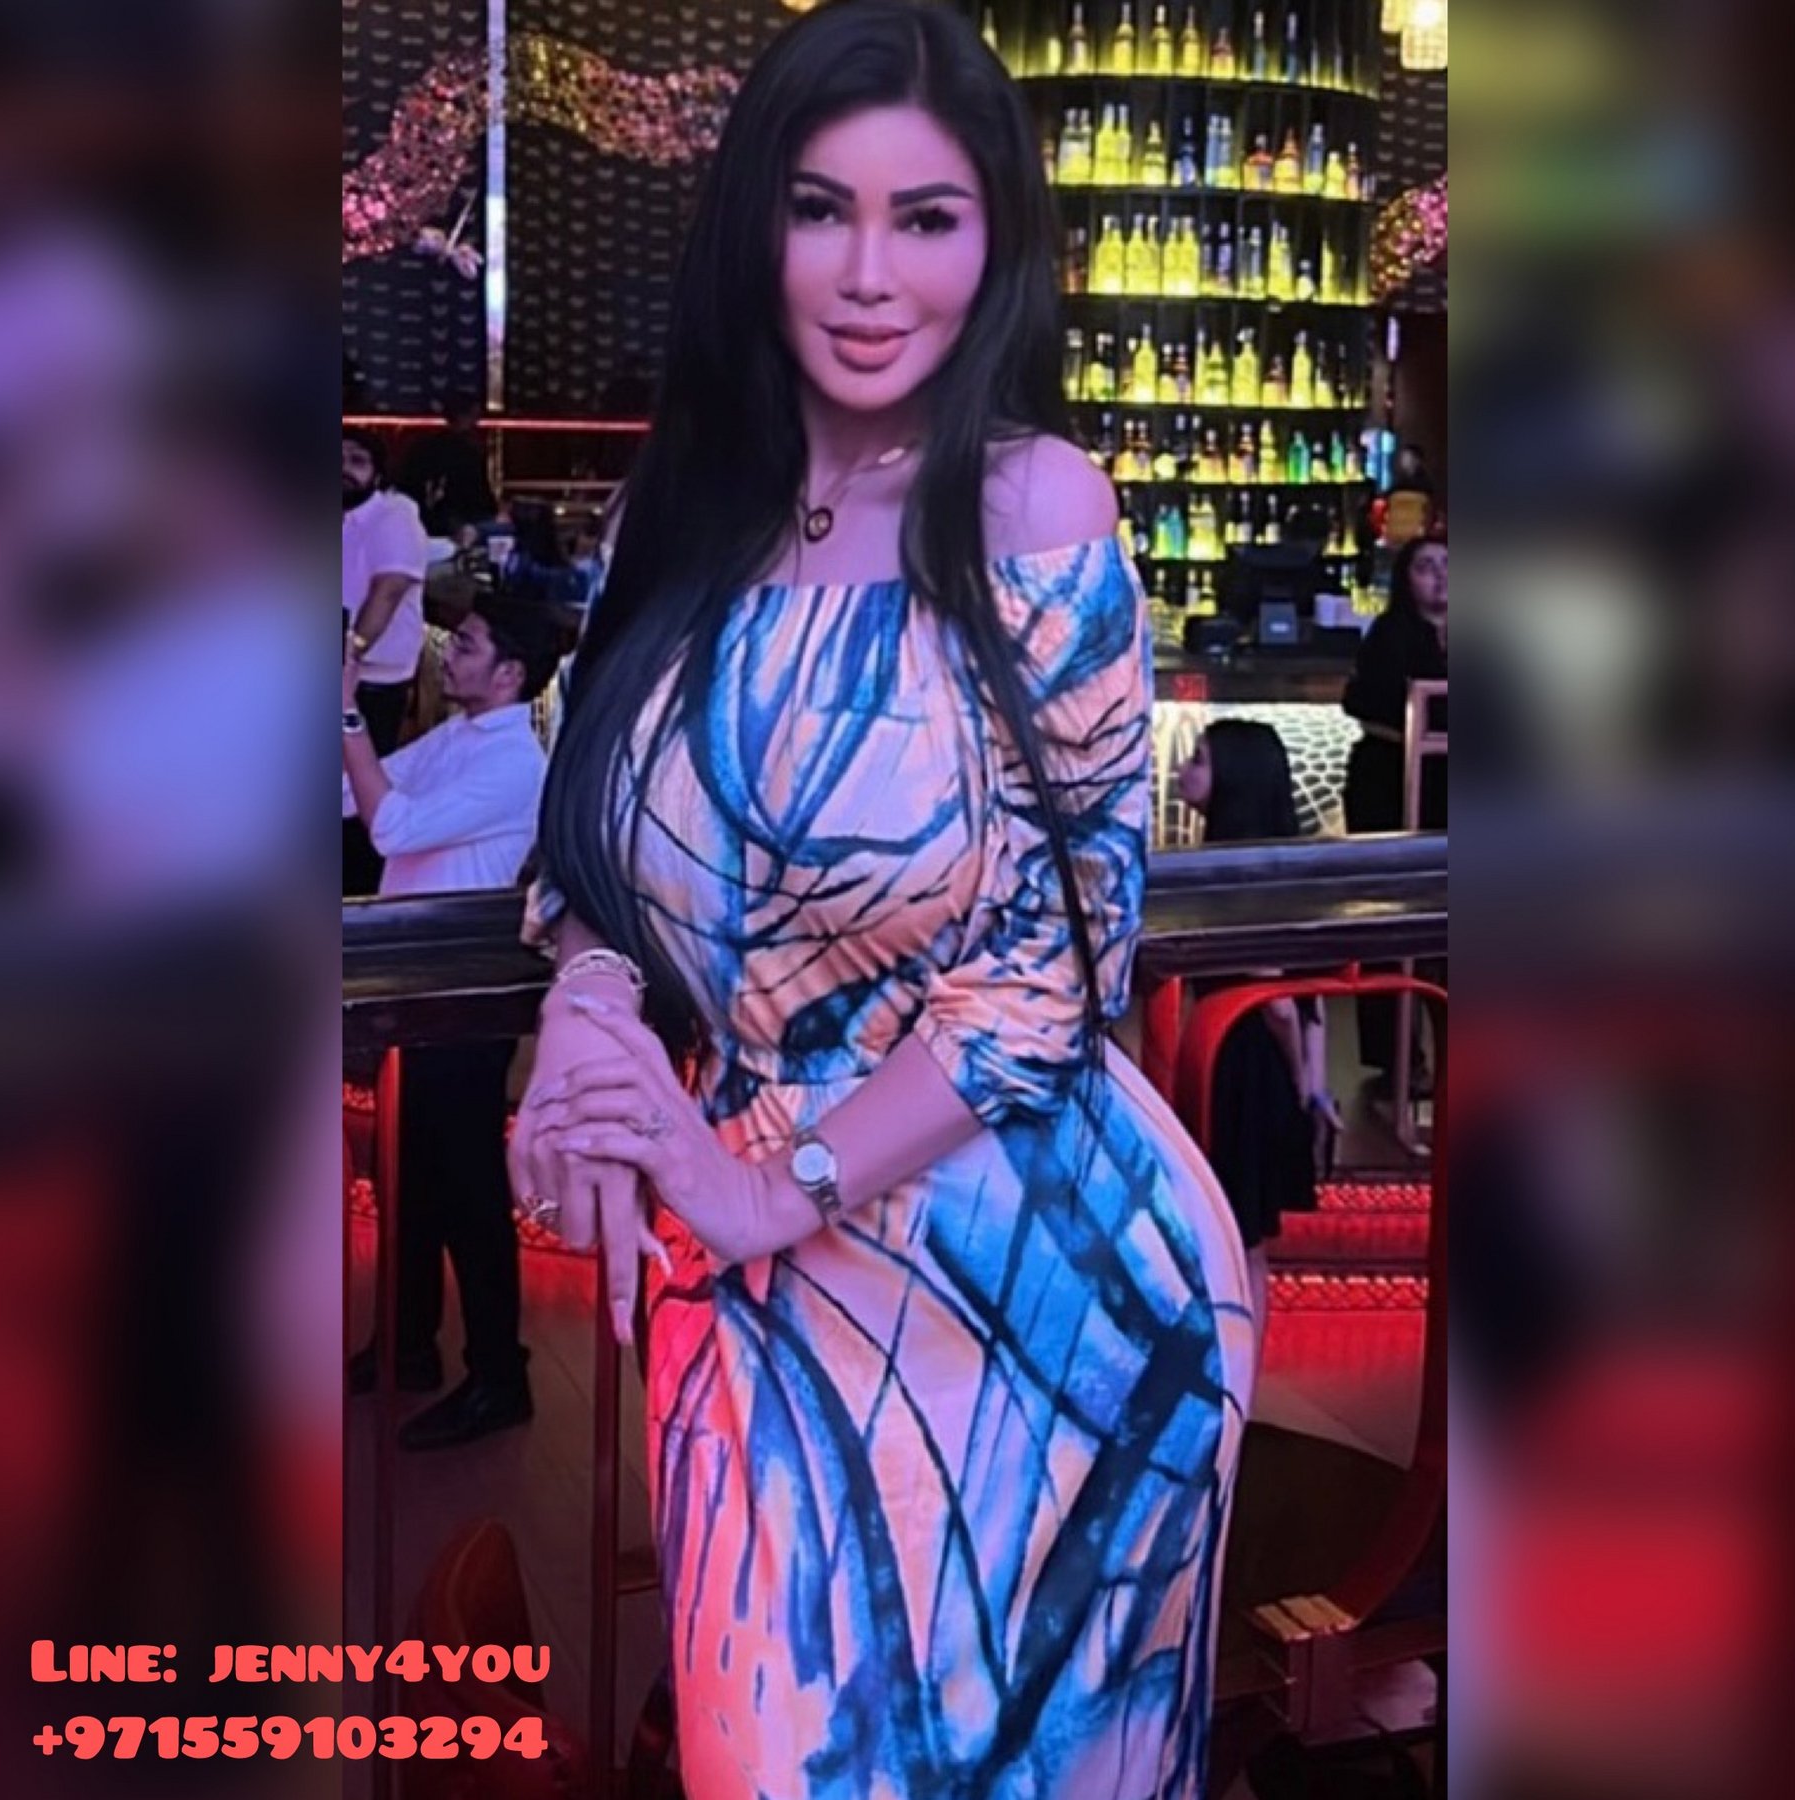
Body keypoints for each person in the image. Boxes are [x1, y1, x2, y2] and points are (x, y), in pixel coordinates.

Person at [507, 5, 1253, 1795]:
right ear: (753, 227)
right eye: (819, 208)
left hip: (1048, 1292)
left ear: (995, 246)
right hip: (748, 1297)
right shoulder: (682, 510)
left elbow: (1057, 973)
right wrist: (593, 1009)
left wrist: (767, 1192)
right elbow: (593, 844)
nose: (866, 274)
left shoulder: (1035, 507)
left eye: (925, 218)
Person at [343, 598, 557, 1449]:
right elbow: (357, 790)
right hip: (420, 986)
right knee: (408, 1174)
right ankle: (407, 1344)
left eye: (465, 645)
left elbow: (391, 825)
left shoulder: (515, 763)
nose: (448, 655)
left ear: (510, 673)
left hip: (468, 997)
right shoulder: (459, 738)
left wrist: (348, 714)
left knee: (467, 1186)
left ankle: (500, 1375)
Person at [1178, 720, 1341, 1356]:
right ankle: (1236, 1378)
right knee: (1243, 1243)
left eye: (1198, 759)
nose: (1183, 770)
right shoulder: (1278, 870)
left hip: (1243, 1065)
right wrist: (1314, 1087)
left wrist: (1301, 1085)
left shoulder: (1232, 874)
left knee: (1235, 1242)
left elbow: (1278, 1002)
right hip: (1252, 1064)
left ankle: (1235, 1378)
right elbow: (1311, 997)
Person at [1342, 534, 1447, 1086]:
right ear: (1406, 579)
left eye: (1450, 565)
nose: (1442, 576)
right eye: (1427, 566)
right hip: (1389, 782)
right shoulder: (1389, 634)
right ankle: (1397, 1061)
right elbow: (1361, 699)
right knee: (1388, 925)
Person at [343, 426, 430, 894]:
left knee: (360, 794)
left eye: (357, 460)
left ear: (378, 474)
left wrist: (348, 656)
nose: (343, 469)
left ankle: (360, 897)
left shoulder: (394, 516)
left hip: (372, 682)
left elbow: (389, 591)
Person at [395, 391, 498, 537]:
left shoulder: (424, 445)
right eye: (475, 416)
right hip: (457, 518)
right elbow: (476, 491)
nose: (477, 422)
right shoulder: (467, 450)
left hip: (431, 517)